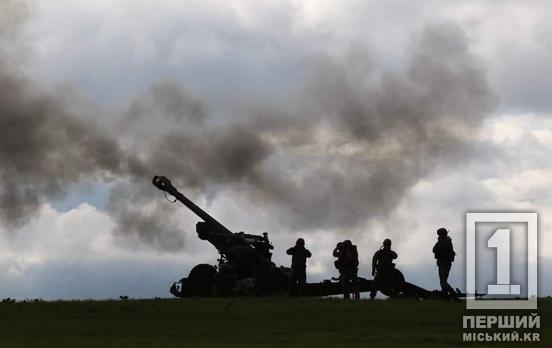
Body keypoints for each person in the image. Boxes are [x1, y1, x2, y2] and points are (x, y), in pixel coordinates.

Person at [432, 228, 458, 300]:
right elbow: (434, 250)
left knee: (443, 282)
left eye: (440, 234)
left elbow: (442, 250)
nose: (439, 236)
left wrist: (440, 243)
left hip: (445, 263)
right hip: (441, 263)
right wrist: (439, 242)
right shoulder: (441, 241)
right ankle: (446, 297)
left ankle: (454, 296)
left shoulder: (447, 241)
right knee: (442, 282)